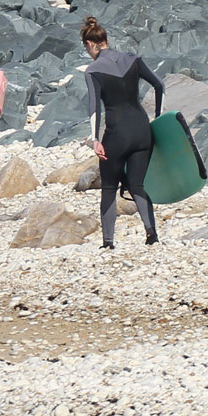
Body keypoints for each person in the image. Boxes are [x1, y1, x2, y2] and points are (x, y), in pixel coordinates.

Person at [82, 15, 166, 248]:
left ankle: (108, 242)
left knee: (109, 187)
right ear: (106, 40)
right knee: (137, 184)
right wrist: (158, 118)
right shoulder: (133, 59)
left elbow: (94, 108)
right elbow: (159, 85)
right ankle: (152, 235)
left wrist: (95, 140)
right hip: (142, 132)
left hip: (117, 135)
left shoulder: (93, 71)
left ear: (90, 45)